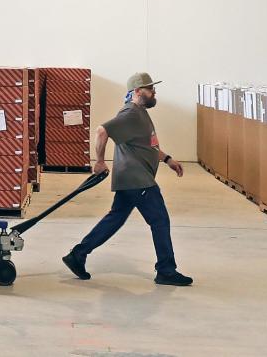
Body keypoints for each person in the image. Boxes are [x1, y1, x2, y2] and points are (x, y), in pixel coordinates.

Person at [62, 72, 193, 286]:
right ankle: (166, 270)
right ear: (138, 91)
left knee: (115, 219)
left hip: (132, 179)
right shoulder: (131, 113)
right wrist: (100, 161)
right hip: (138, 179)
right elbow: (102, 131)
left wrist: (167, 158)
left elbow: (148, 145)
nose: (154, 92)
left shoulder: (140, 113)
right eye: (150, 89)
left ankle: (78, 254)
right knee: (159, 220)